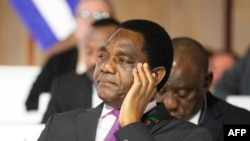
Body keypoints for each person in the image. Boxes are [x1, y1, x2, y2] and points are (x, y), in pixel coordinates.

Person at [38, 20, 212, 141]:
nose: (105, 67)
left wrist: (130, 124)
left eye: (123, 60)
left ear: (155, 75)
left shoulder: (189, 136)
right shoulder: (60, 125)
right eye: (103, 56)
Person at [25, 0, 115, 110]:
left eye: (99, 15)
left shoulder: (123, 63)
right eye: (84, 14)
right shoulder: (57, 62)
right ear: (75, 21)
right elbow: (32, 102)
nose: (91, 21)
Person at [156, 37, 250, 141]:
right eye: (161, 91)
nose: (170, 104)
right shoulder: (140, 122)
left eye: (182, 93)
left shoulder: (240, 124)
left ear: (206, 82)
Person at [41, 18, 120, 123]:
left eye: (102, 54)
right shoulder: (65, 87)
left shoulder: (137, 89)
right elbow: (48, 131)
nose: (93, 61)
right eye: (88, 51)